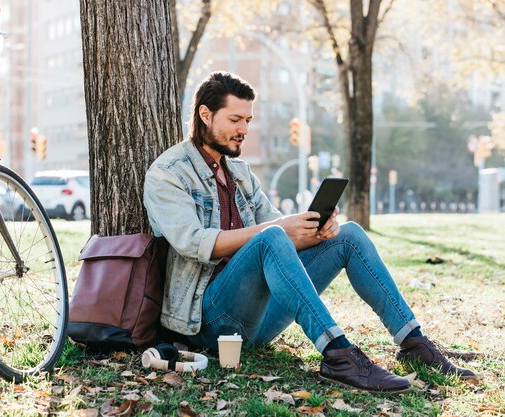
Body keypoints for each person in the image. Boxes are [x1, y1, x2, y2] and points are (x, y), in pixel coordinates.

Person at [143, 71, 476, 393]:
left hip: (258, 320)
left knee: (349, 234)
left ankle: (414, 342)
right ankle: (338, 355)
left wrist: (315, 231)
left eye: (248, 120)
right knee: (270, 236)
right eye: (235, 120)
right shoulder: (170, 172)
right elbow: (193, 242)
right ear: (205, 114)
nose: (244, 129)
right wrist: (279, 229)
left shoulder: (240, 174)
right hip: (208, 324)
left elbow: (280, 237)